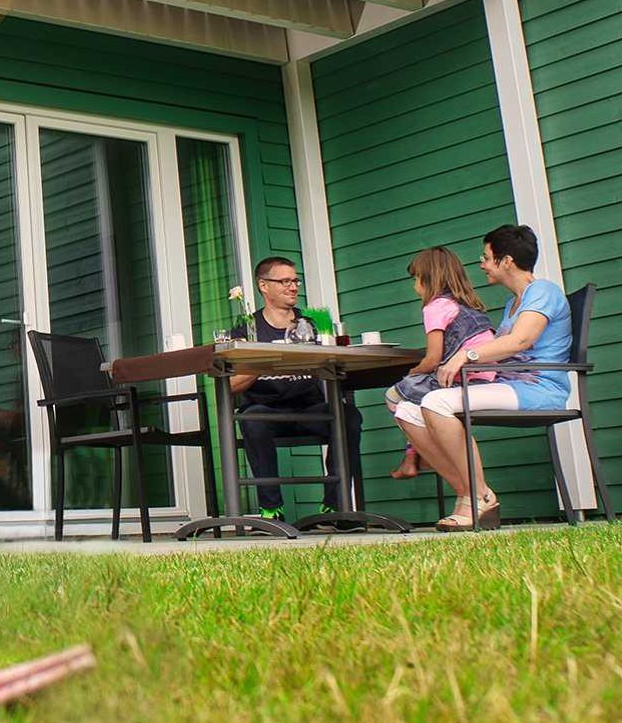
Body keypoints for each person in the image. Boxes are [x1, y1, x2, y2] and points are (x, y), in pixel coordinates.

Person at [391, 223, 575, 531]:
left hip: (539, 388)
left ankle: (478, 497)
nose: (482, 264)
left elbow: (520, 341)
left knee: (436, 402)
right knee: (407, 409)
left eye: (487, 257)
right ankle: (471, 494)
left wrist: (467, 356)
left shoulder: (543, 291)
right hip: (509, 384)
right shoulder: (512, 303)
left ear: (506, 261)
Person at [228, 256, 361, 523]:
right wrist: (269, 361)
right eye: (285, 281)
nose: (293, 287)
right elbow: (231, 385)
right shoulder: (247, 329)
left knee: (349, 416)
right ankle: (271, 510)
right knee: (252, 420)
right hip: (266, 410)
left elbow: (333, 364)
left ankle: (336, 506)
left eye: (295, 280)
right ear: (263, 286)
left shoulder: (310, 324)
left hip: (309, 408)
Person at [384, 247, 497, 480]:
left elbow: (433, 359)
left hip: (464, 380)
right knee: (413, 402)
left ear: (428, 280)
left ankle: (419, 453)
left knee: (394, 395)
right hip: (486, 378)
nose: (415, 286)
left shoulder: (434, 307)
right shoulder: (468, 305)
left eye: (416, 278)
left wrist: (412, 372)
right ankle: (414, 456)